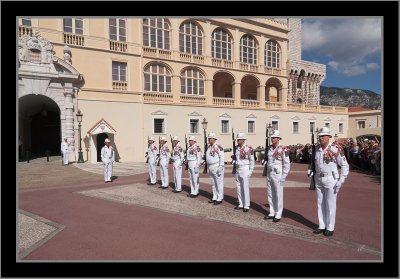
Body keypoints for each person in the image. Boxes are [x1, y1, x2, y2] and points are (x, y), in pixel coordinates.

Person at [310, 126, 349, 237]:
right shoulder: (316, 149)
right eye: (320, 136)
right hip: (319, 178)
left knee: (330, 203)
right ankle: (322, 225)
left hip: (331, 179)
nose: (321, 138)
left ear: (329, 137)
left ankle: (330, 226)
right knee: (320, 203)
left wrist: (341, 180)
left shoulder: (336, 148)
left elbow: (345, 166)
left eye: (323, 136)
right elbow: (314, 163)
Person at [263, 130, 290, 222]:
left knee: (278, 194)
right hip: (270, 173)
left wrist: (284, 176)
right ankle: (272, 211)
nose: (272, 139)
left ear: (278, 138)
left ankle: (278, 213)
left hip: (278, 173)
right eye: (272, 137)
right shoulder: (269, 148)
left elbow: (287, 164)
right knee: (270, 193)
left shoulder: (283, 149)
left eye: (274, 137)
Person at [233, 132, 255, 212]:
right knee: (239, 187)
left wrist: (250, 171)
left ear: (243, 140)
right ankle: (241, 203)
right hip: (238, 169)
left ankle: (246, 205)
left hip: (245, 168)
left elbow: (252, 160)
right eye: (237, 139)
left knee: (245, 187)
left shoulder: (249, 148)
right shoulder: (236, 148)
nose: (237, 141)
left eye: (238, 140)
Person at [205, 132, 225, 205]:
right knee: (213, 183)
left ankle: (219, 198)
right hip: (210, 166)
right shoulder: (209, 147)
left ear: (214, 139)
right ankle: (214, 196)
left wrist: (221, 166)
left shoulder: (218, 146)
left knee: (218, 183)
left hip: (217, 166)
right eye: (208, 138)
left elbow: (222, 157)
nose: (209, 139)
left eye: (210, 138)